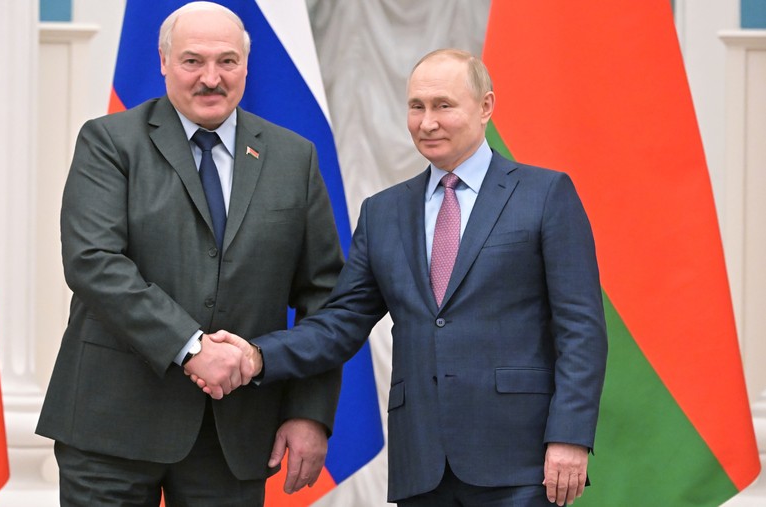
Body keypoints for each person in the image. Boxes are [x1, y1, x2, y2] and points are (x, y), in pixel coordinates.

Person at [199, 49, 608, 506]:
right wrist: (258, 355)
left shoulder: (545, 194)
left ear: (486, 106)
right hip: (423, 465)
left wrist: (570, 435)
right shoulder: (384, 213)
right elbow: (339, 325)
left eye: (443, 105)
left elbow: (581, 329)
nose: (427, 122)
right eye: (417, 106)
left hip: (521, 461)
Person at [35, 2, 345, 505]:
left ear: (246, 65)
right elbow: (93, 260)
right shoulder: (109, 142)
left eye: (227, 61)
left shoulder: (295, 158)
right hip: (111, 425)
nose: (211, 78)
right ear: (163, 62)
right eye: (192, 61)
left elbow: (324, 296)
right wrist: (191, 347)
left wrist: (308, 411)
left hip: (233, 434)